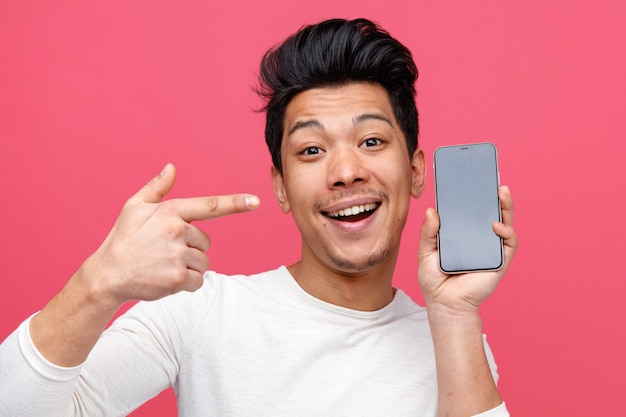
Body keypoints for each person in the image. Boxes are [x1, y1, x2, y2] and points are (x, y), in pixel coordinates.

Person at [0, 18, 517, 417]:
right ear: (281, 188)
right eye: (311, 150)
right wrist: (97, 284)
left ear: (415, 171)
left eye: (372, 141)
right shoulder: (200, 314)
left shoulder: (456, 344)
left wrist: (453, 318)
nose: (344, 171)